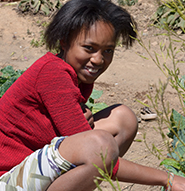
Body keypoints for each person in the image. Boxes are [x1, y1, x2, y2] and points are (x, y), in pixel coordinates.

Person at [0, 0, 185, 190]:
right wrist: (167, 178)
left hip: (33, 165)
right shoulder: (53, 73)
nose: (98, 59)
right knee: (98, 144)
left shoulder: (77, 74)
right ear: (64, 41)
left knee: (124, 119)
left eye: (108, 51)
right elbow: (97, 152)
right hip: (8, 178)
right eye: (89, 48)